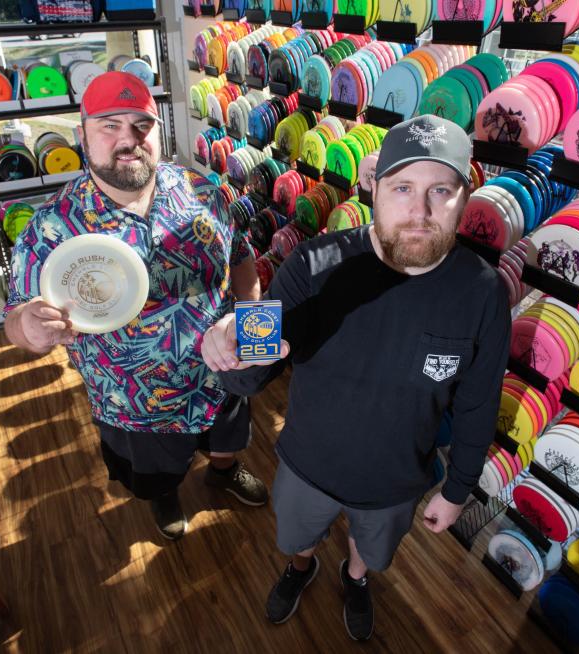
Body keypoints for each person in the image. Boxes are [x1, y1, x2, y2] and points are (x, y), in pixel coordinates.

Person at [201, 115, 510, 641]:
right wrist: (228, 344)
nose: (419, 211)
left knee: (369, 553)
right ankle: (303, 569)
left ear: (465, 197)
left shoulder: (482, 293)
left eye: (441, 190)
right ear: (374, 188)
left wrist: (458, 489)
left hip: (394, 483)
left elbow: (480, 404)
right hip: (307, 465)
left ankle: (355, 579)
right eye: (403, 188)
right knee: (297, 538)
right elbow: (250, 373)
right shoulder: (316, 261)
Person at [4, 71, 268, 541]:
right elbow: (17, 324)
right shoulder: (51, 226)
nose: (128, 139)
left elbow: (243, 259)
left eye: (141, 124)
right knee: (154, 475)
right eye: (109, 125)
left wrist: (253, 334)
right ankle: (165, 494)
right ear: (82, 134)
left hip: (221, 373)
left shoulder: (202, 190)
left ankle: (223, 472)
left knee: (228, 440)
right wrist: (29, 328)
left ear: (157, 128)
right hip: (135, 402)